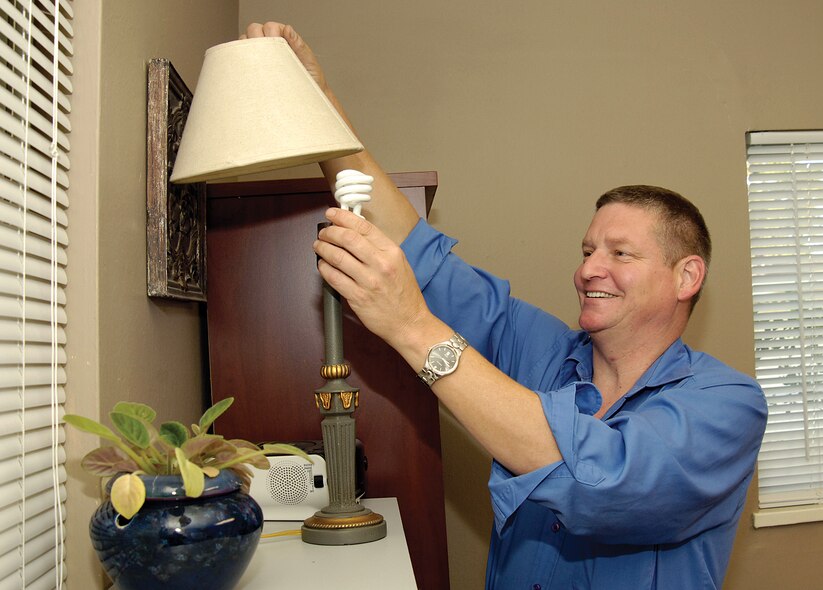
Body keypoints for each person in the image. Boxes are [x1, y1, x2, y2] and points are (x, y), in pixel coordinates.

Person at [243, 22, 768, 590]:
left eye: (621, 253)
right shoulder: (542, 350)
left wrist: (413, 328)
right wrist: (320, 102)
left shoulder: (727, 405)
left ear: (686, 275)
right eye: (588, 249)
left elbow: (602, 481)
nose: (590, 268)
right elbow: (418, 253)